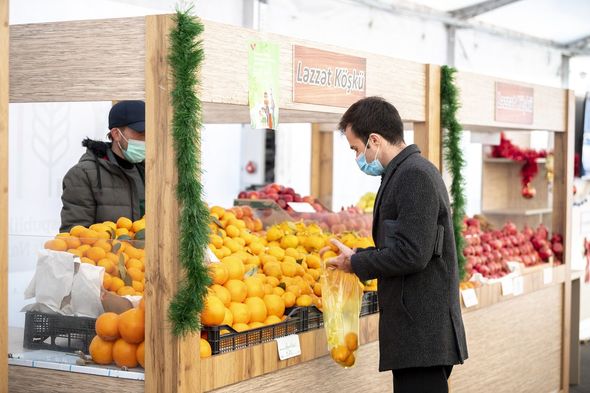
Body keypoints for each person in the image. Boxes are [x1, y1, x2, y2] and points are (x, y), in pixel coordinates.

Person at [325, 96, 468, 393]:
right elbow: (405, 243)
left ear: (374, 140)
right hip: (417, 332)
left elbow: (412, 254)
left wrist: (357, 263)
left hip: (422, 334)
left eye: (355, 148)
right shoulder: (404, 172)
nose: (356, 158)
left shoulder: (414, 175)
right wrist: (359, 256)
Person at [60, 100, 146, 232]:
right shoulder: (83, 174)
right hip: (105, 252)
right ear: (116, 134)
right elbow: (76, 236)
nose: (146, 139)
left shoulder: (150, 170)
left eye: (150, 133)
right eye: (141, 133)